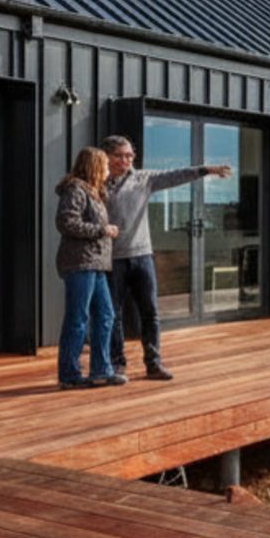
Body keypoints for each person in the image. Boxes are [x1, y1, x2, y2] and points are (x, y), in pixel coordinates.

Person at [101, 135, 231, 381]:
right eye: (119, 155)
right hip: (111, 259)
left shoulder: (143, 180)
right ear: (107, 156)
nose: (125, 160)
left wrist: (204, 170)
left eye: (129, 155)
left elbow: (175, 175)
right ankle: (117, 364)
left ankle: (154, 364)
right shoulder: (97, 183)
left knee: (150, 312)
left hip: (142, 257)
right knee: (113, 314)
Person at [54, 147, 123, 390]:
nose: (107, 171)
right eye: (104, 166)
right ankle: (69, 375)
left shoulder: (95, 193)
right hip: (80, 263)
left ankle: (101, 369)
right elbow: (66, 222)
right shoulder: (75, 190)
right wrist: (101, 230)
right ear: (94, 167)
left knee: (105, 315)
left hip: (96, 264)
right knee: (78, 318)